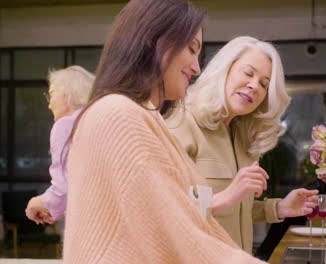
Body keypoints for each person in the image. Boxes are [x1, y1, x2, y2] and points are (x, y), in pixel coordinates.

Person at [62, 0, 268, 263]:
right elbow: (176, 231)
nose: (196, 68)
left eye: (264, 83)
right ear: (153, 40)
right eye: (191, 50)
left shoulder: (145, 116)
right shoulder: (118, 114)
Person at [166, 36, 318, 254]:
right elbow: (163, 209)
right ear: (224, 71)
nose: (254, 86)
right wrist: (226, 198)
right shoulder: (182, 121)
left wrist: (280, 207)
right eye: (248, 73)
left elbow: (236, 209)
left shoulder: (240, 136)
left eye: (264, 84)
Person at [25, 65, 94, 225]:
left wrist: (36, 203)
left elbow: (63, 187)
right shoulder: (92, 119)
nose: (49, 105)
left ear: (67, 94)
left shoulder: (65, 125)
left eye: (51, 94)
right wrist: (56, 209)